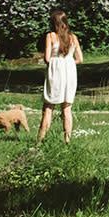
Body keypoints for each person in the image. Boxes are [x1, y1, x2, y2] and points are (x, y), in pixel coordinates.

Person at [39, 9, 82, 142]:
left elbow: (47, 58)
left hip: (56, 73)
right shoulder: (73, 37)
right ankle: (67, 141)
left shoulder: (50, 36)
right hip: (70, 73)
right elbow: (80, 59)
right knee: (67, 108)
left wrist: (57, 63)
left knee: (48, 107)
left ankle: (39, 141)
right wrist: (67, 62)